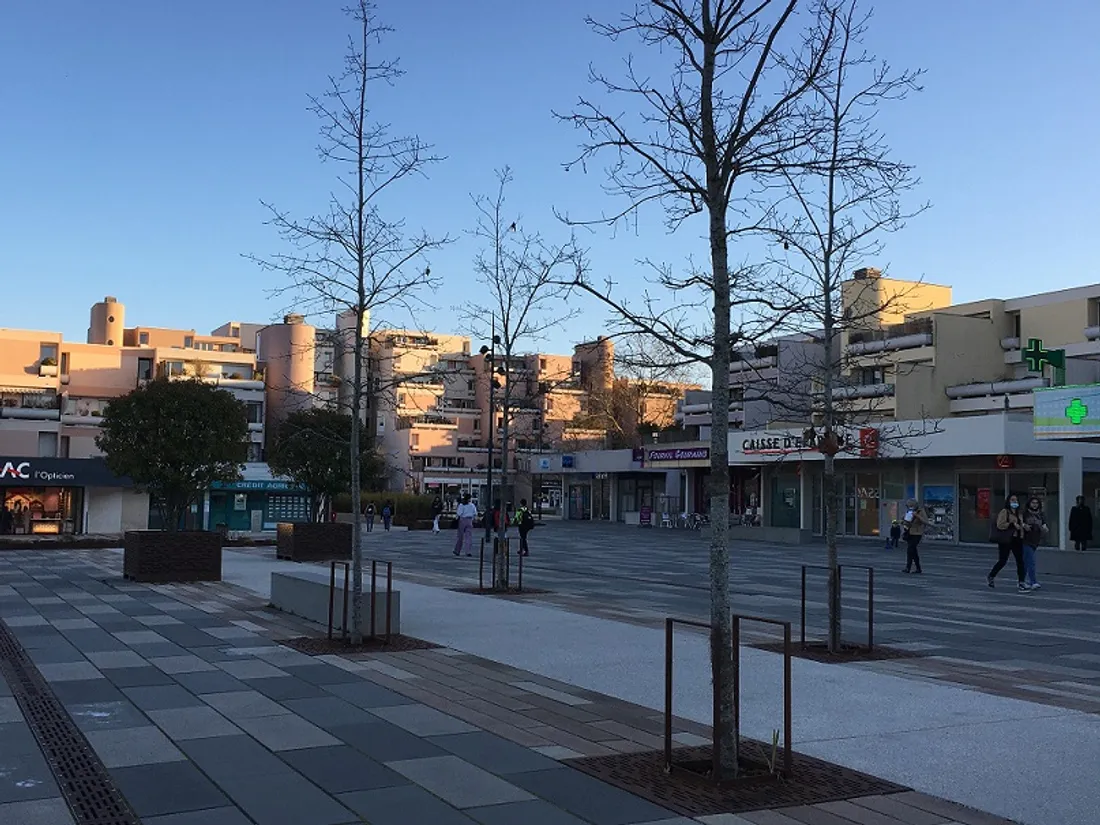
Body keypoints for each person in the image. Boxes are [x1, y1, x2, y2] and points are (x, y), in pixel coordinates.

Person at [988, 495, 1028, 592]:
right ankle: (991, 575)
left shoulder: (1019, 513)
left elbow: (1020, 524)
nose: (1015, 502)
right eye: (1012, 500)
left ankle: (1021, 582)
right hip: (1006, 539)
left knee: (1020, 561)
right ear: (1008, 501)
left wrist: (1023, 526)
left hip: (1017, 539)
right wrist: (1012, 524)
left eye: (1016, 500)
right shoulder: (1004, 511)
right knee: (1003, 560)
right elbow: (1000, 525)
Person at [1021, 496, 1048, 590]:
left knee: (1025, 563)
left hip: (1035, 540)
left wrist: (1045, 529)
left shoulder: (1040, 514)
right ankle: (1033, 582)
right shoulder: (1025, 514)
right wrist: (1024, 525)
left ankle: (1021, 581)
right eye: (1033, 503)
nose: (1035, 505)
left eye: (1036, 503)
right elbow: (1019, 522)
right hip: (1025, 540)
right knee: (1031, 562)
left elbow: (1044, 524)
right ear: (1029, 504)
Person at [901, 499, 926, 574]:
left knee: (910, 550)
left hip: (917, 533)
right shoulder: (909, 511)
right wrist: (903, 520)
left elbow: (925, 521)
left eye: (910, 506)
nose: (909, 507)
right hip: (910, 533)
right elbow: (906, 521)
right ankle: (918, 568)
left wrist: (917, 516)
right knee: (913, 551)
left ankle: (908, 567)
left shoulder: (920, 511)